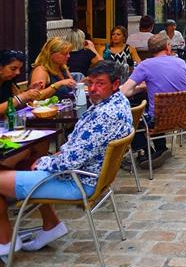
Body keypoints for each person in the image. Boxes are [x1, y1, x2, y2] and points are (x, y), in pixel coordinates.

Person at [0, 60, 132, 254]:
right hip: (86, 174)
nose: (93, 88)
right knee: (24, 163)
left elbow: (70, 161)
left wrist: (46, 160)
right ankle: (51, 225)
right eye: (91, 83)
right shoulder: (118, 102)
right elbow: (78, 151)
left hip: (76, 181)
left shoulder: (106, 114)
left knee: (19, 167)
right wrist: (53, 156)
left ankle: (6, 242)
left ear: (115, 84)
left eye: (100, 83)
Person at [121, 33, 186, 167]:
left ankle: (145, 151)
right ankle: (161, 149)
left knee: (130, 117)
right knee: (155, 107)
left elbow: (123, 91)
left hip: (158, 120)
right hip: (181, 116)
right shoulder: (181, 62)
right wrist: (147, 87)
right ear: (167, 47)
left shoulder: (146, 65)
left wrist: (140, 88)